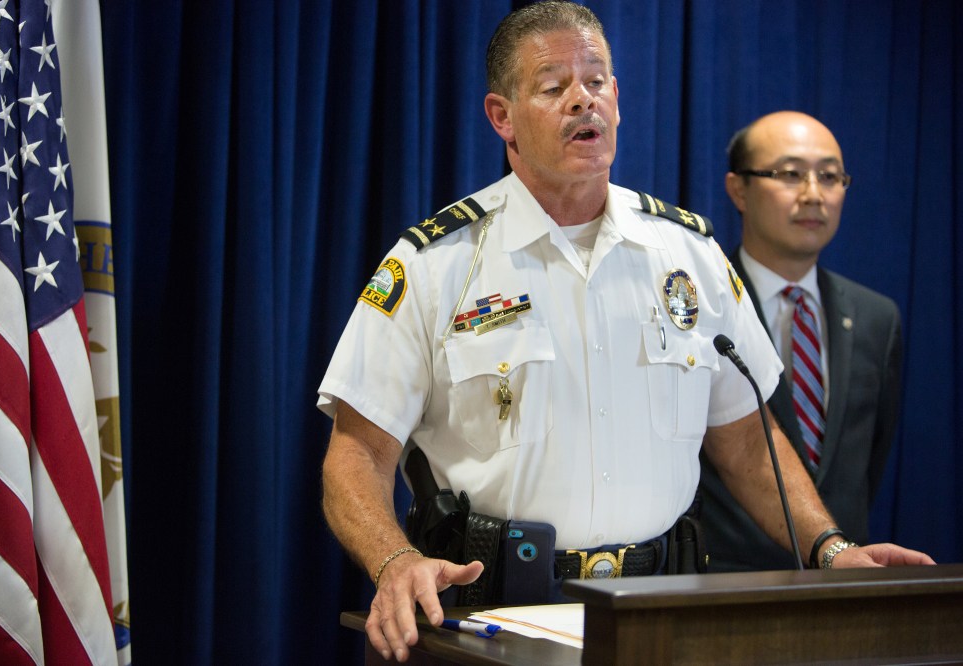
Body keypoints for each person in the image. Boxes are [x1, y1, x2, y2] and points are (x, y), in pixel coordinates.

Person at [318, 4, 934, 662]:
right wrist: (394, 560)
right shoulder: (435, 262)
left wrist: (830, 548)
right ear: (502, 117)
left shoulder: (687, 254)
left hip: (658, 614)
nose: (583, 100)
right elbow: (355, 455)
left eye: (598, 81)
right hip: (490, 614)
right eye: (555, 87)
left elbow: (749, 442)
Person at [699, 111, 905, 571]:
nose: (814, 195)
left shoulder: (876, 318)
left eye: (830, 177)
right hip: (724, 588)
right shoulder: (700, 309)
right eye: (790, 174)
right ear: (739, 190)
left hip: (842, 586)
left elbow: (866, 468)